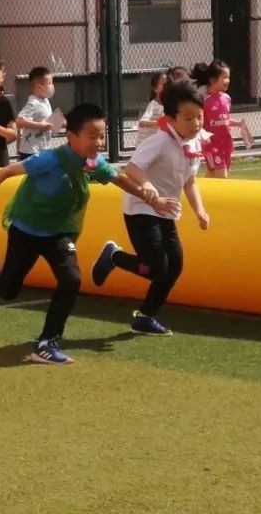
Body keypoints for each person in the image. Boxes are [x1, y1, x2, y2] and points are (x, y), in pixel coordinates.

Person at [0, 102, 166, 365]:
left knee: (71, 279)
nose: (99, 143)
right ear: (71, 136)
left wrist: (151, 199)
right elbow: (6, 171)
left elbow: (119, 178)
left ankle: (47, 341)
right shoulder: (49, 160)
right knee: (8, 290)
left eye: (101, 136)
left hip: (59, 234)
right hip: (26, 229)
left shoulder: (93, 163)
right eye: (92, 137)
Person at [92, 80, 210, 336]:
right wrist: (148, 187)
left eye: (199, 117)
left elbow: (190, 181)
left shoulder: (194, 142)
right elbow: (132, 168)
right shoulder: (160, 141)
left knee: (174, 266)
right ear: (171, 119)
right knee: (158, 267)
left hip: (166, 211)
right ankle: (114, 256)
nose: (196, 123)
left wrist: (200, 211)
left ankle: (145, 318)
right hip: (141, 209)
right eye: (188, 118)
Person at [191, 60, 252, 179]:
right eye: (224, 77)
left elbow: (225, 120)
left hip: (226, 144)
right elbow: (198, 123)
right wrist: (204, 138)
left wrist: (239, 124)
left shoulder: (226, 98)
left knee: (213, 174)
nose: (227, 81)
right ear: (213, 80)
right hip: (212, 145)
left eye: (228, 77)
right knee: (221, 176)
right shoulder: (204, 101)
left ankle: (200, 190)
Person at [16, 66, 57, 161]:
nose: (52, 86)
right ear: (39, 87)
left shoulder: (45, 100)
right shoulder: (33, 103)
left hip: (43, 149)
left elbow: (47, 119)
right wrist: (39, 125)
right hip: (31, 152)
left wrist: (64, 123)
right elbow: (19, 120)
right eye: (49, 83)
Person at [137, 71, 168, 143]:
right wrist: (158, 123)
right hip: (145, 144)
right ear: (155, 89)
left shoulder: (169, 105)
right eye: (163, 83)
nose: (166, 86)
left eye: (167, 84)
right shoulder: (153, 105)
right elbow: (141, 123)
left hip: (157, 142)